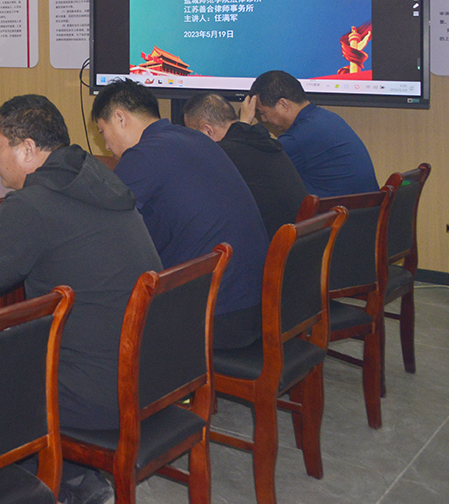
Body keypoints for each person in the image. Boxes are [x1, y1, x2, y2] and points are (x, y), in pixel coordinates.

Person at [0, 93, 160, 504]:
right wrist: (1, 232)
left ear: (27, 149)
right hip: (150, 374)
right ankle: (75, 476)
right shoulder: (97, 179)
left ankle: (31, 486)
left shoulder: (32, 205)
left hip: (97, 395)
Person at [92, 79, 267, 349]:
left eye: (103, 132)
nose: (106, 145)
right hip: (258, 304)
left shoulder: (143, 155)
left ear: (120, 118)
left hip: (216, 316)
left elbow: (100, 232)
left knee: (97, 317)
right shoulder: (195, 138)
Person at [184, 92, 309, 236]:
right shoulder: (260, 141)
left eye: (193, 135)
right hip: (296, 240)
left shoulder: (221, 154)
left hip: (269, 244)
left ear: (207, 131)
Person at [245, 70, 378, 198]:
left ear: (283, 104)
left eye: (263, 113)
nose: (264, 120)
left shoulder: (296, 138)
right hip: (366, 209)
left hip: (336, 212)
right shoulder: (328, 117)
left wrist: (244, 124)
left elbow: (253, 177)